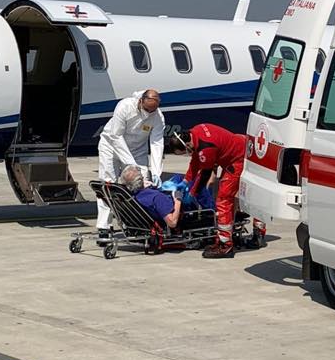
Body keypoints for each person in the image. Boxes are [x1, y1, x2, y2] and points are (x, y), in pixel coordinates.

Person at [96, 89, 165, 244]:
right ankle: (104, 227)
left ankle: (139, 224)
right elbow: (116, 136)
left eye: (152, 110)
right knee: (108, 183)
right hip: (111, 147)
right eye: (147, 110)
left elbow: (156, 143)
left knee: (142, 184)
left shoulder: (158, 116)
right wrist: (130, 164)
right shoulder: (124, 106)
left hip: (137, 150)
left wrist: (156, 171)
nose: (149, 113)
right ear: (141, 101)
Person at [168, 123, 246, 259]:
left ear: (187, 145)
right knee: (225, 198)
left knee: (223, 199)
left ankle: (225, 245)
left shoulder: (205, 148)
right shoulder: (196, 132)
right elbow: (195, 162)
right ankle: (225, 237)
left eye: (184, 152)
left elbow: (205, 173)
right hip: (237, 149)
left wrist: (193, 193)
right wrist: (185, 182)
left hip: (238, 159)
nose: (187, 154)